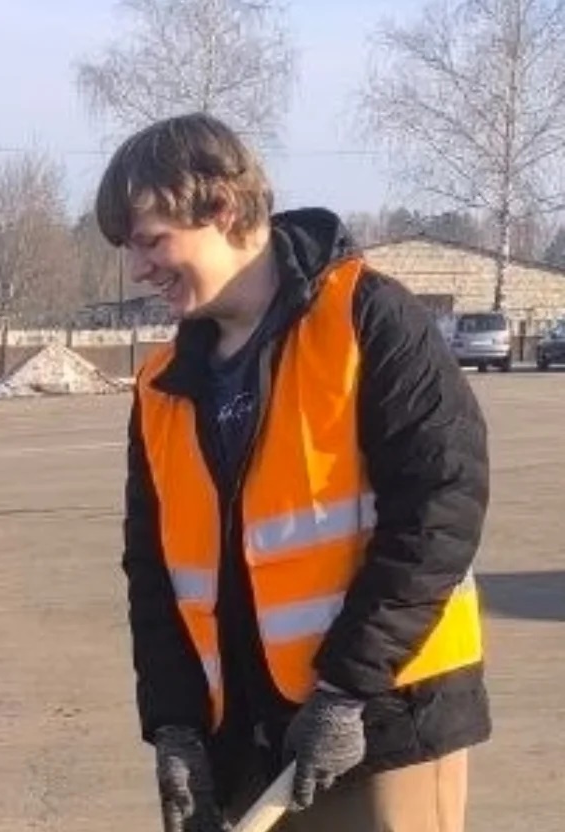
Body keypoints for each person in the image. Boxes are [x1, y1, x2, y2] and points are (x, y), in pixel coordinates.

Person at [101, 113, 490, 832]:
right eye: (130, 247)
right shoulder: (162, 386)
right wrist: (176, 727)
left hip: (383, 724)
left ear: (222, 208)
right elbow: (152, 575)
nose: (139, 269)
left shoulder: (368, 320)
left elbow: (440, 514)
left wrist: (345, 692)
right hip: (248, 746)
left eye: (152, 241)